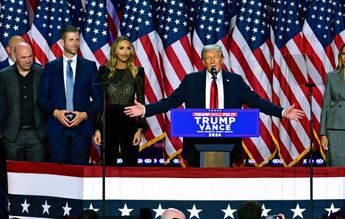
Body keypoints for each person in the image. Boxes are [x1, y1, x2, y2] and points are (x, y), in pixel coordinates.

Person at [124, 44, 305, 167]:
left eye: (216, 57)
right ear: (203, 62)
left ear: (222, 60)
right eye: (208, 58)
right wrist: (146, 109)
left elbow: (255, 101)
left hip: (227, 142)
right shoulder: (192, 80)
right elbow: (171, 102)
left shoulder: (235, 81)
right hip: (197, 144)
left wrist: (281, 112)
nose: (212, 61)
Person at [37, 26, 103, 165]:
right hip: (57, 130)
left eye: (77, 39)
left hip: (82, 130)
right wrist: (56, 113)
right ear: (62, 42)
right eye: (71, 40)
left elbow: (98, 98)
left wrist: (84, 114)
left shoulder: (89, 66)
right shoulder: (50, 67)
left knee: (80, 175)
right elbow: (42, 98)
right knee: (59, 175)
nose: (75, 43)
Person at [93, 36, 147, 166]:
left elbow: (141, 102)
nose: (125, 52)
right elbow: (100, 103)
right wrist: (97, 129)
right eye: (121, 48)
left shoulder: (137, 72)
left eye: (128, 48)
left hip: (129, 121)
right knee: (108, 164)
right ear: (115, 51)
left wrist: (139, 129)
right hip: (109, 123)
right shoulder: (104, 72)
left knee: (131, 165)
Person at [0, 42, 47, 162]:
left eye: (30, 56)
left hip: (37, 135)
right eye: (24, 57)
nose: (28, 60)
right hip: (12, 136)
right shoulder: (4, 76)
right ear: (15, 57)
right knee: (13, 178)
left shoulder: (41, 73)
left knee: (37, 176)